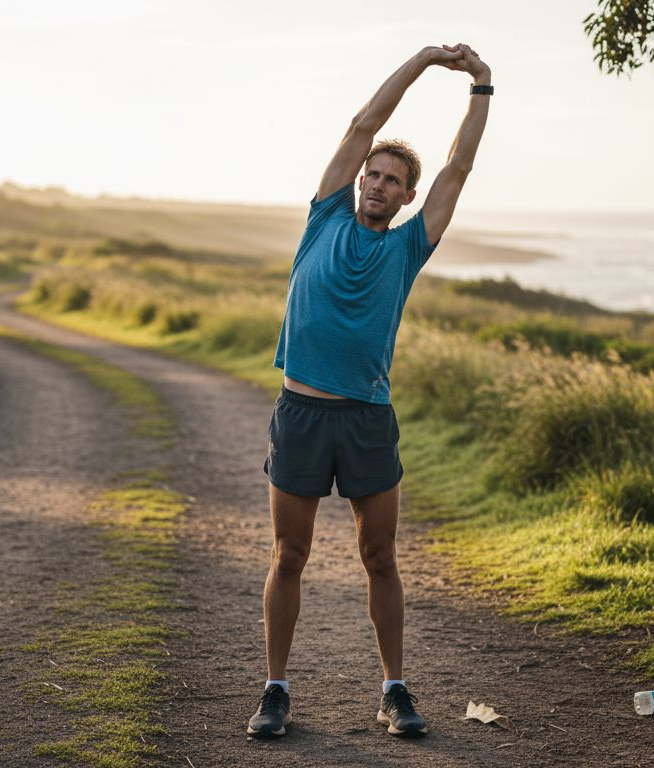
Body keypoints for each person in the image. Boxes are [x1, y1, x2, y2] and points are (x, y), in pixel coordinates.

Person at [248, 42, 493, 739]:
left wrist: (480, 85)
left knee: (380, 558)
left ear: (406, 196)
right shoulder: (324, 214)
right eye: (373, 174)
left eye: (392, 180)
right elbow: (361, 125)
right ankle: (274, 691)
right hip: (300, 413)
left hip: (366, 419)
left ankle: (394, 689)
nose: (377, 184)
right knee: (287, 556)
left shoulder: (408, 246)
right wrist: (420, 62)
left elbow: (460, 167)